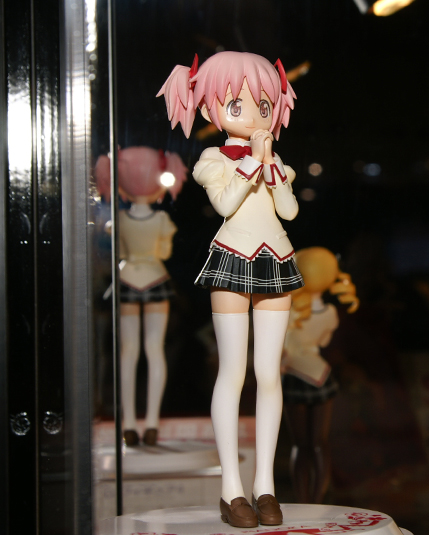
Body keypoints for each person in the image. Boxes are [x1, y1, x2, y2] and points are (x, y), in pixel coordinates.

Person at [158, 51, 301, 528]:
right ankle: (231, 489)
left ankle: (266, 485)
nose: (254, 114)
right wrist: (251, 165)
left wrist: (271, 166)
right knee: (233, 373)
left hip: (276, 257)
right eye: (237, 105)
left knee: (270, 374)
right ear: (209, 108)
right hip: (233, 258)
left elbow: (290, 212)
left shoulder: (277, 161)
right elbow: (224, 203)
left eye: (264, 104)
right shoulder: (212, 158)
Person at [95, 147, 187, 447]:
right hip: (156, 279)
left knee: (128, 352)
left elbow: (120, 253)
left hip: (127, 280)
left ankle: (130, 424)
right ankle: (151, 423)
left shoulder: (119, 221)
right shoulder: (162, 220)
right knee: (154, 349)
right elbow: (165, 253)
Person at [281, 247, 359, 503]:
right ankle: (315, 498)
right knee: (318, 444)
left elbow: (284, 348)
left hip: (294, 375)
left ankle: (304, 498)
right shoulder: (330, 313)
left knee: (300, 445)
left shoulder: (289, 312)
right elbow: (323, 342)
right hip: (320, 375)